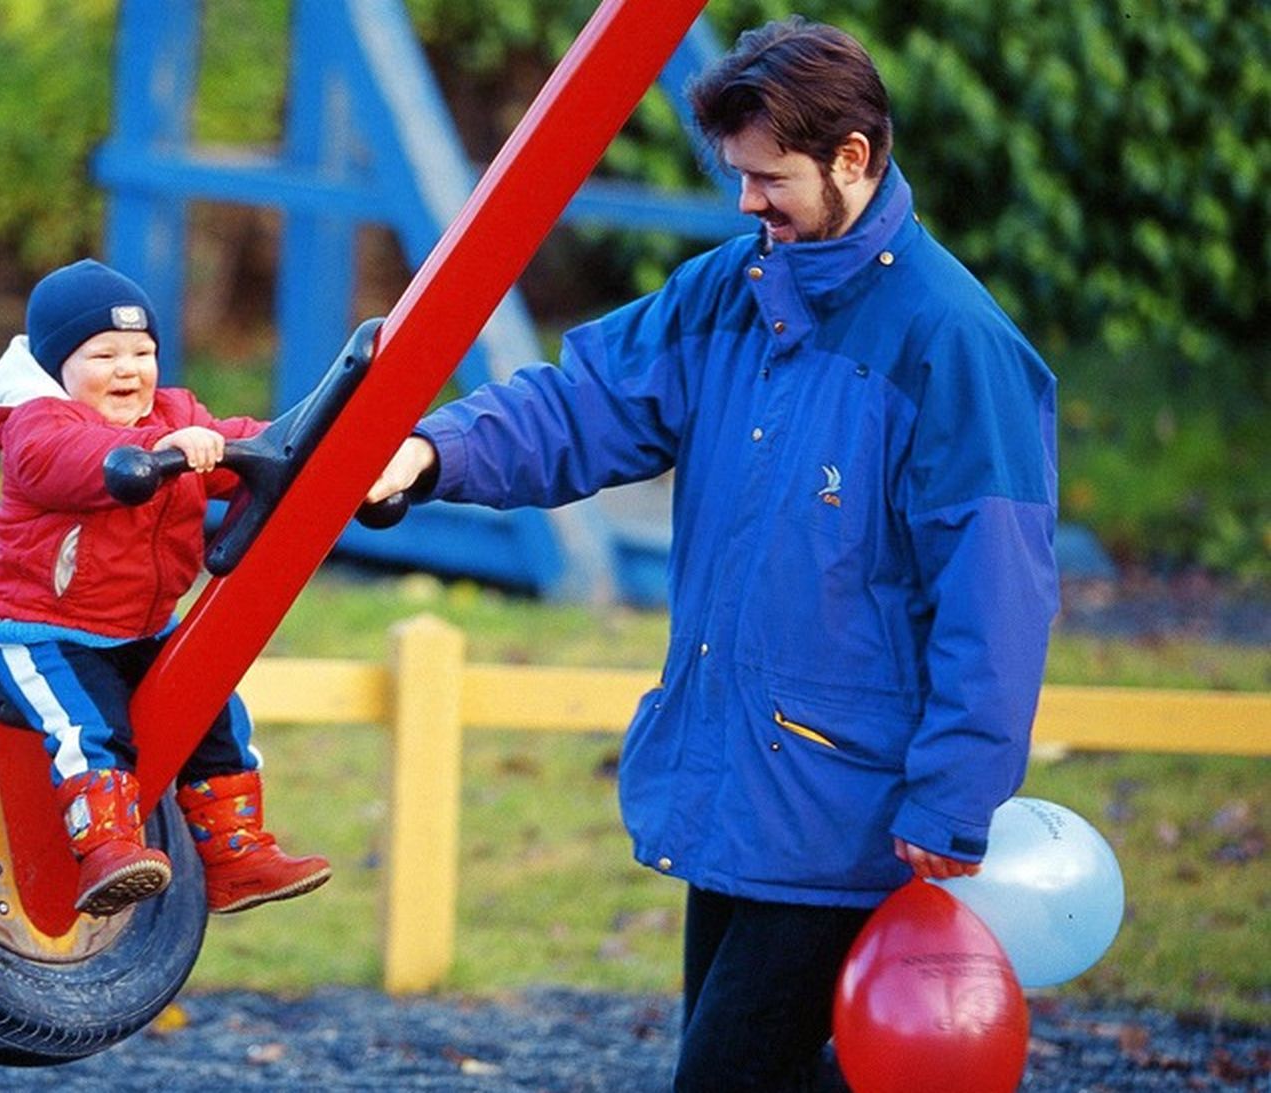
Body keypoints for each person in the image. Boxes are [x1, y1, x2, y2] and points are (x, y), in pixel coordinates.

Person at [368, 18, 1058, 1092]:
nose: (745, 203)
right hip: (740, 789)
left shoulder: (951, 343)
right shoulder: (729, 291)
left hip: (850, 813)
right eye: (735, 176)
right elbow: (582, 406)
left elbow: (996, 595)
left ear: (851, 160)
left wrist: (951, 797)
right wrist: (426, 453)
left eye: (765, 178)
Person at [0, 258, 331, 919]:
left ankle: (235, 855)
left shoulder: (177, 413)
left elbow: (237, 445)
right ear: (57, 367)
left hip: (146, 623)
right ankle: (107, 849)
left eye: (142, 352)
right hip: (48, 627)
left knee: (215, 714)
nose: (127, 368)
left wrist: (296, 446)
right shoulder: (37, 426)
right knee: (91, 730)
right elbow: (74, 467)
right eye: (103, 353)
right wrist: (161, 448)